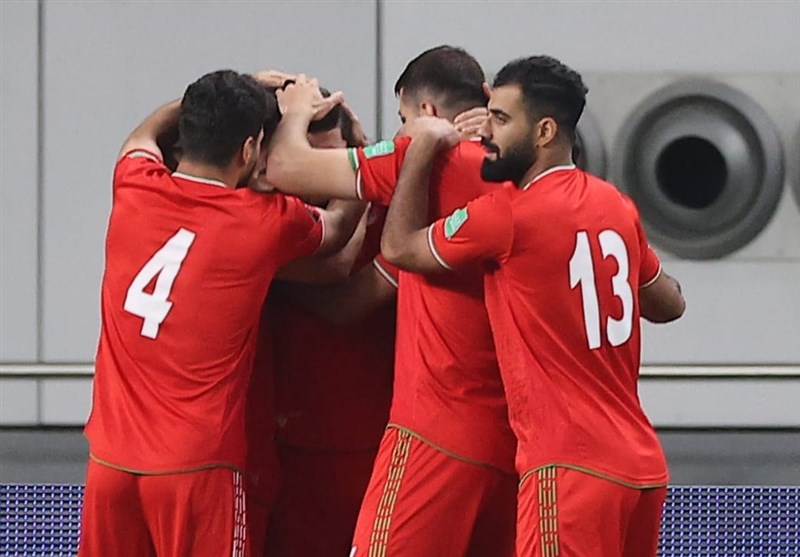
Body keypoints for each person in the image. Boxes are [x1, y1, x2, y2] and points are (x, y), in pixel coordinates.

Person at [379, 55, 686, 557]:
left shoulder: (507, 216)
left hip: (567, 469)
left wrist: (421, 149)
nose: (486, 131)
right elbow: (668, 303)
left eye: (500, 119)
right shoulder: (615, 205)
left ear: (543, 131)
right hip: (642, 470)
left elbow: (399, 248)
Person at [79, 69, 360, 557]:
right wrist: (305, 124)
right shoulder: (260, 222)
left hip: (110, 467)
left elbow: (142, 135)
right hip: (195, 472)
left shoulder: (134, 184)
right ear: (251, 150)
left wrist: (224, 92)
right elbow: (336, 234)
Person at [265, 47, 518, 557]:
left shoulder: (417, 170)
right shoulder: (525, 177)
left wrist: (295, 116)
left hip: (430, 432)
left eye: (402, 120)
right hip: (516, 438)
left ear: (424, 115)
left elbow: (289, 169)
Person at [262, 95, 399, 557]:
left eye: (326, 162)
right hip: (282, 448)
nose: (312, 179)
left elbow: (345, 291)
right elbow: (338, 271)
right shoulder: (261, 219)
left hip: (372, 443)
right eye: (303, 162)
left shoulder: (397, 216)